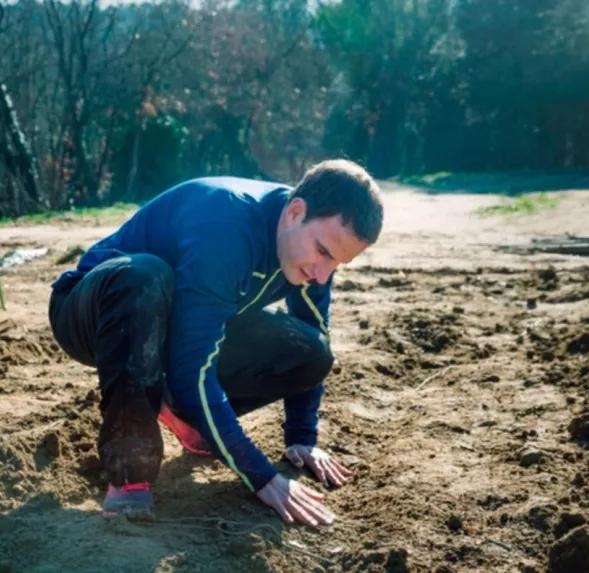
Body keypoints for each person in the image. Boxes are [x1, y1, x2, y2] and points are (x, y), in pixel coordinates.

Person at [48, 159, 383, 525]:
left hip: (177, 326)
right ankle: (130, 475)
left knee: (312, 352)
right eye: (323, 252)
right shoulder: (228, 228)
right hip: (95, 312)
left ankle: (183, 413)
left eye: (337, 264)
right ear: (295, 212)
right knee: (146, 276)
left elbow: (313, 332)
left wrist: (302, 435)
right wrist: (262, 476)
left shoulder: (311, 259)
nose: (323, 274)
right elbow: (193, 369)